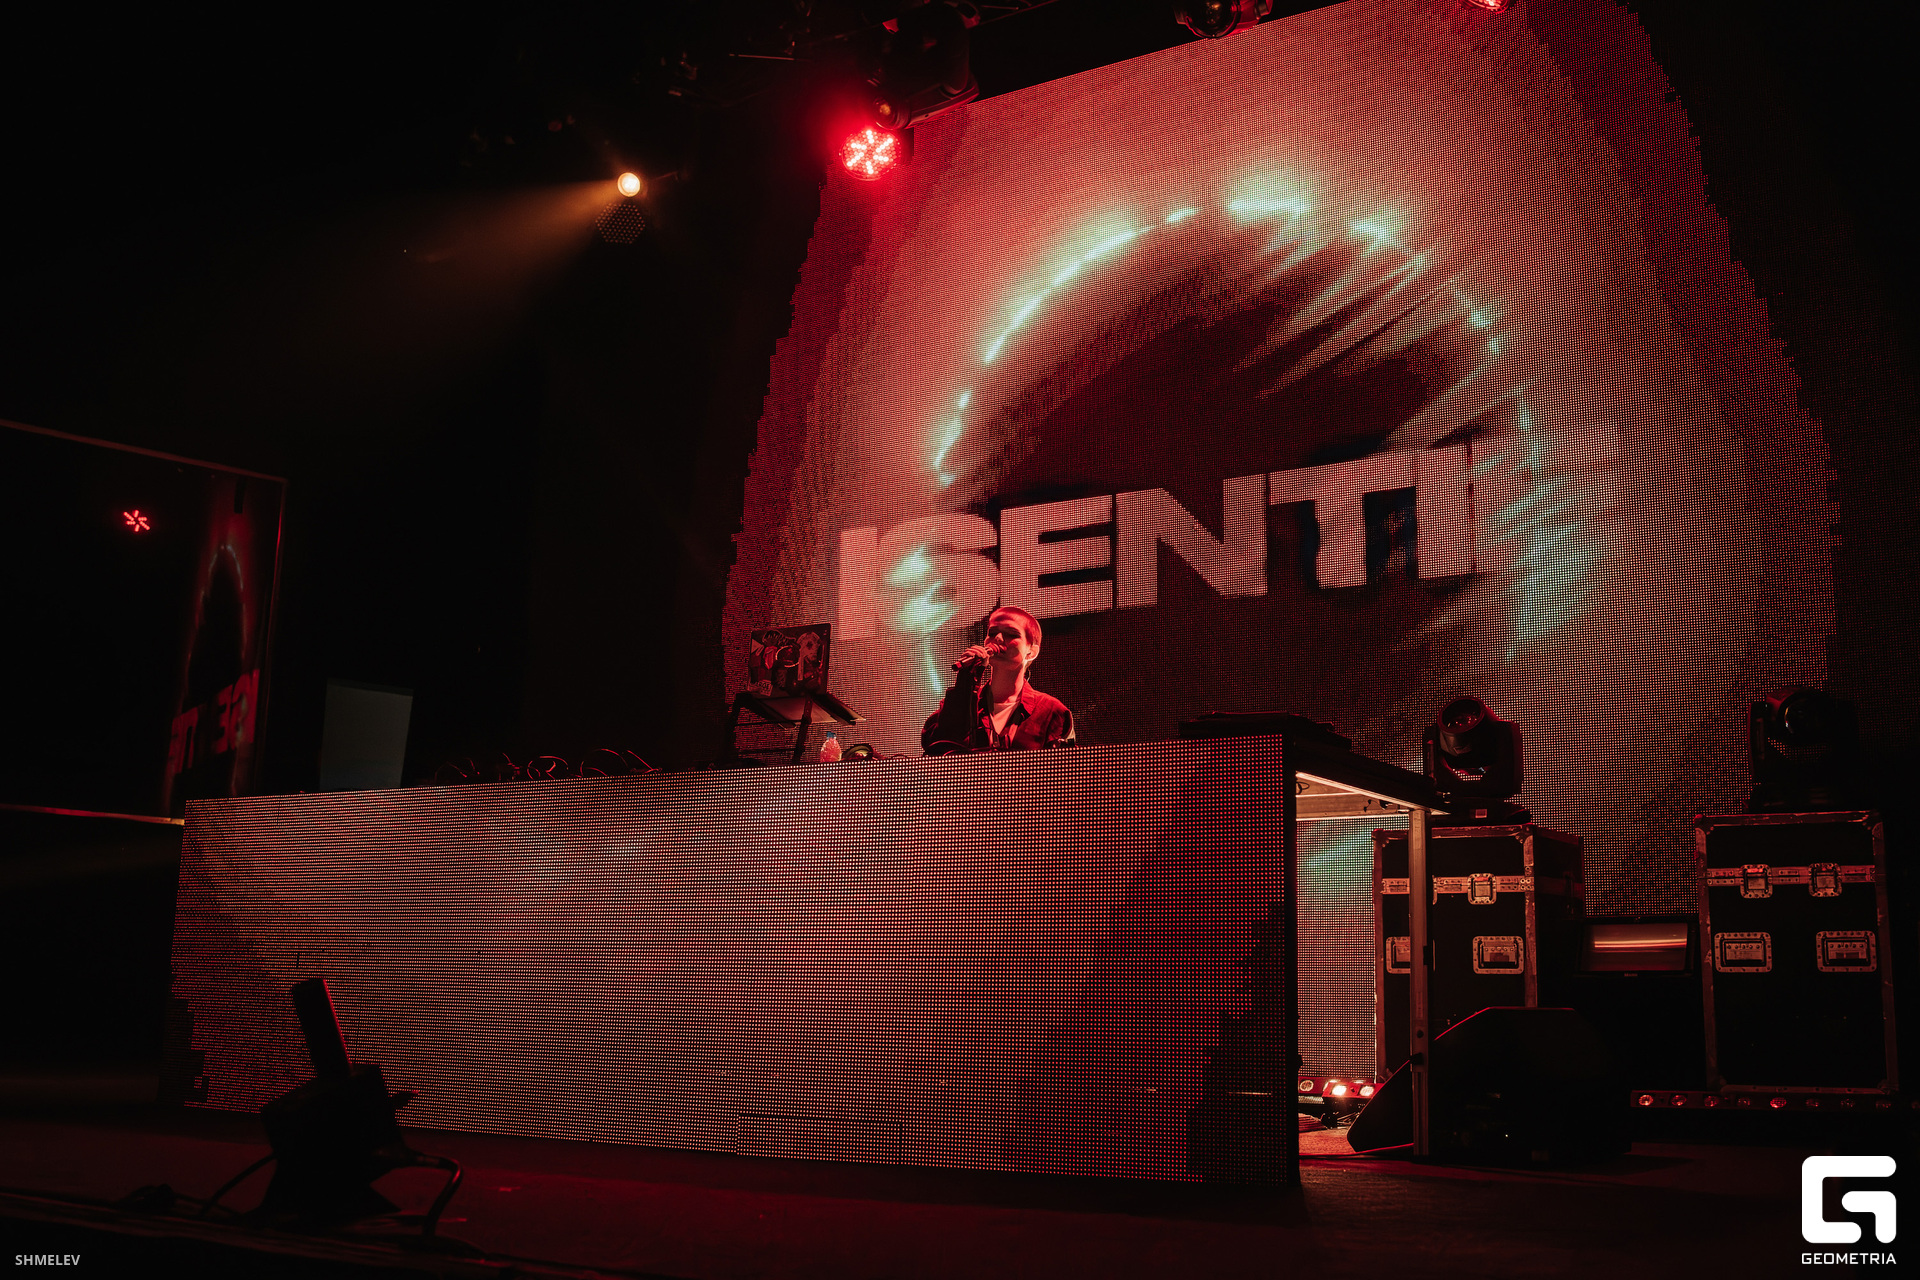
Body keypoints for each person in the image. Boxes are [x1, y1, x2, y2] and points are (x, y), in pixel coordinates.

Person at [921, 605, 1076, 754]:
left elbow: (1066, 765)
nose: (998, 638)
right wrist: (965, 684)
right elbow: (937, 747)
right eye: (992, 633)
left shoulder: (1051, 711)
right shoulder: (962, 702)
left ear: (1031, 651)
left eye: (1011, 634)